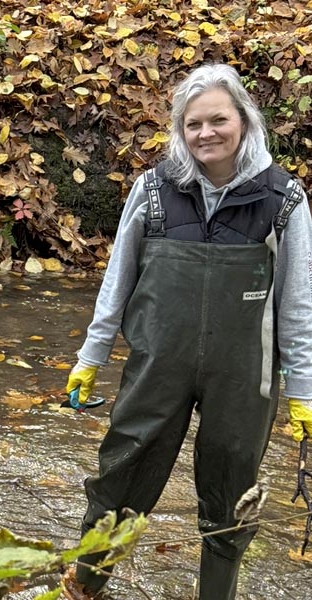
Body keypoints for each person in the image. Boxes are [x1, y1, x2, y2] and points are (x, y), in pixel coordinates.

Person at [61, 63, 312, 599]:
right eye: (193, 124)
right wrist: (92, 354)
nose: (206, 134)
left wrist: (303, 391)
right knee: (119, 481)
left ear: (243, 121)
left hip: (244, 379)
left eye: (218, 120)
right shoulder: (152, 190)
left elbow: (297, 305)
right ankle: (84, 588)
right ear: (180, 129)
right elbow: (116, 281)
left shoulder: (284, 200)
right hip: (157, 366)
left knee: (229, 499)